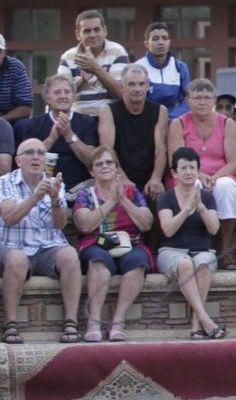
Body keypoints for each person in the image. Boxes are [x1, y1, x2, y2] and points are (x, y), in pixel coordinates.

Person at [0, 139, 82, 344]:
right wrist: (36, 197)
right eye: (29, 153)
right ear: (18, 160)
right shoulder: (4, 182)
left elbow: (60, 224)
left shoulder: (54, 182)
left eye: (40, 153)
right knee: (16, 259)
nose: (36, 157)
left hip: (48, 247)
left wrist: (55, 199)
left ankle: (71, 322)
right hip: (13, 245)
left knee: (70, 255)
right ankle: (10, 324)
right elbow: (10, 217)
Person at [70, 146, 156, 343]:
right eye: (99, 164)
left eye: (109, 162)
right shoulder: (85, 194)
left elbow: (147, 223)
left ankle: (118, 321)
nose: (105, 166)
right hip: (95, 243)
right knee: (98, 260)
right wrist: (110, 202)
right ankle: (94, 322)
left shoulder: (131, 192)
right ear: (92, 171)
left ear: (117, 168)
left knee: (138, 261)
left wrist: (123, 200)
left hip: (129, 243)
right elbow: (84, 225)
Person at [165, 78, 236, 266]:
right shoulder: (178, 123)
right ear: (188, 101)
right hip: (188, 174)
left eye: (207, 98)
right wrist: (199, 175)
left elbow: (234, 162)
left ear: (214, 101)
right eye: (197, 98)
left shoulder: (227, 124)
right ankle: (198, 245)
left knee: (226, 187)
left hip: (221, 173)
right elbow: (175, 160)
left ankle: (225, 248)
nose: (202, 102)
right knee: (194, 186)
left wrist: (215, 178)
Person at [157, 147, 227, 339]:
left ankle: (197, 323)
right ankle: (206, 320)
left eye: (192, 168)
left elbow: (214, 229)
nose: (188, 172)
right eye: (184, 168)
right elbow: (168, 229)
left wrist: (201, 207)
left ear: (198, 171)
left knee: (203, 264)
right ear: (174, 173)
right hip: (171, 251)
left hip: (202, 250)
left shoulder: (206, 196)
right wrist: (186, 209)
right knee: (185, 264)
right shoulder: (166, 197)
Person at [13, 74, 101, 188]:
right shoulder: (33, 124)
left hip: (81, 187)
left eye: (67, 92)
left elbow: (92, 160)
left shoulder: (88, 122)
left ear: (73, 97)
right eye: (57, 92)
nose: (63, 96)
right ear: (47, 98)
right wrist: (52, 137)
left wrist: (70, 135)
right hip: (43, 186)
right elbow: (26, 160)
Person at [97, 64, 169, 202]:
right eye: (131, 84)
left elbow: (161, 150)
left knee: (160, 195)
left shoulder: (160, 111)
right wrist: (122, 178)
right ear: (122, 87)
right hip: (118, 173)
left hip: (148, 174)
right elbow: (107, 149)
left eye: (141, 84)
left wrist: (156, 178)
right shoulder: (108, 111)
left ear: (148, 86)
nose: (137, 89)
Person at [58, 8, 130, 114]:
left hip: (110, 117)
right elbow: (61, 96)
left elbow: (120, 92)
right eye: (87, 31)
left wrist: (95, 68)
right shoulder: (68, 57)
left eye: (97, 29)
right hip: (79, 117)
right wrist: (82, 81)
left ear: (104, 30)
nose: (92, 35)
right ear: (78, 34)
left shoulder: (117, 52)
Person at [135, 21, 191, 119]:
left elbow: (188, 100)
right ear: (146, 44)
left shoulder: (180, 67)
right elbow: (136, 101)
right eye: (155, 39)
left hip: (175, 122)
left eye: (165, 38)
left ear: (169, 42)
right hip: (146, 121)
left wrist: (171, 118)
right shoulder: (137, 68)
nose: (161, 42)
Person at [0, 32, 32, 122]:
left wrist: (1, 120)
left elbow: (26, 107)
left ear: (4, 52)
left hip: (9, 120)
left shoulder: (16, 67)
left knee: (24, 125)